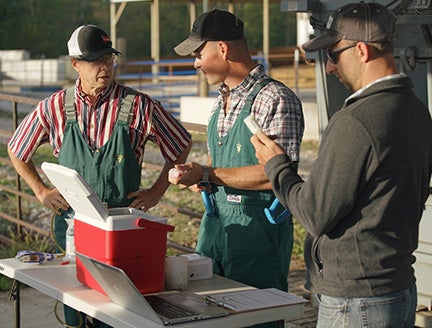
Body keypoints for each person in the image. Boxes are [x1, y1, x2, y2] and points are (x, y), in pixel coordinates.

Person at [251, 2, 432, 327]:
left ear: (361, 50)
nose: (330, 67)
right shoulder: (416, 110)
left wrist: (275, 164)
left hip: (357, 299)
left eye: (334, 54)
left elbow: (314, 213)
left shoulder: (357, 120)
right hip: (398, 287)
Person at [7, 24, 192, 328]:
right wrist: (41, 191)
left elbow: (180, 143)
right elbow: (16, 148)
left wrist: (157, 191)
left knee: (120, 310)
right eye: (96, 60)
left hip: (121, 229)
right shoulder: (55, 107)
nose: (105, 66)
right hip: (73, 227)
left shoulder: (138, 106)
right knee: (77, 305)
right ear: (75, 65)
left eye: (109, 58)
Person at [171, 9, 304, 328]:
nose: (196, 62)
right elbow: (219, 166)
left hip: (258, 239)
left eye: (199, 53)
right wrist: (197, 177)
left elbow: (276, 176)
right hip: (215, 233)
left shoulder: (276, 99)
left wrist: (207, 174)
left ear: (222, 48)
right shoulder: (220, 103)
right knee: (207, 319)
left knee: (256, 321)